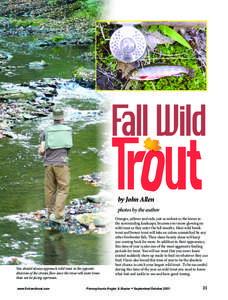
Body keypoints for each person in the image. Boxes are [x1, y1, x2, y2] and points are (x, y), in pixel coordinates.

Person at [39, 107, 73, 221]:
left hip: (49, 164)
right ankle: (58, 215)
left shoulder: (46, 131)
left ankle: (50, 214)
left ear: (53, 119)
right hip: (62, 163)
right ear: (62, 118)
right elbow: (68, 147)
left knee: (50, 189)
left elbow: (42, 150)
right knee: (63, 188)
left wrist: (44, 156)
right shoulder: (68, 130)